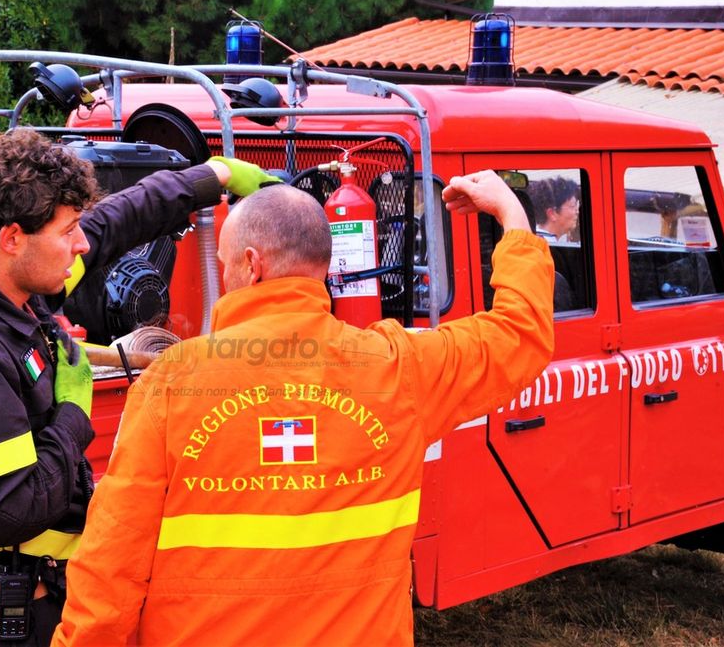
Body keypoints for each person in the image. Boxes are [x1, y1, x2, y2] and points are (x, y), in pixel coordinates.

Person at [53, 170, 555, 647]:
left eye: (225, 263)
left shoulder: (171, 382)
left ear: (252, 264)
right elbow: (519, 335)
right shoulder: (399, 368)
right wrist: (511, 214)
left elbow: (113, 560)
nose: (224, 275)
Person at [0, 128, 275, 647]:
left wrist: (212, 177)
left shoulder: (4, 283)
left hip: (31, 599)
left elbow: (112, 222)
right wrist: (74, 414)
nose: (80, 244)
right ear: (12, 238)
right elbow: (8, 513)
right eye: (68, 231)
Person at [528, 176, 581, 242]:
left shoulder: (532, 238)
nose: (577, 212)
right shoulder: (547, 244)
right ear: (552, 214)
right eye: (572, 206)